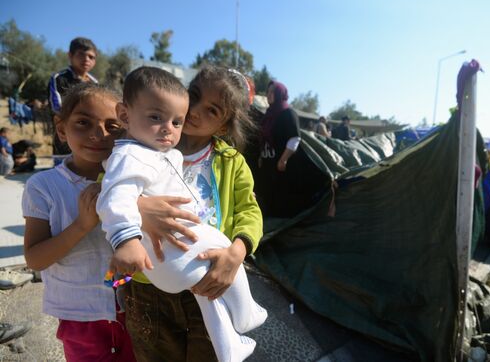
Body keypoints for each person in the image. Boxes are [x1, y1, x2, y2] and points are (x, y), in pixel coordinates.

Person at [107, 65, 266, 362]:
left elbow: (250, 211)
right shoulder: (140, 145)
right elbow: (107, 192)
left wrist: (236, 253)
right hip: (147, 287)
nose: (196, 111)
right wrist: (140, 207)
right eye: (194, 96)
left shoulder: (231, 162)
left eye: (213, 110)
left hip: (212, 281)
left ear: (223, 126)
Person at [21, 83, 137, 361]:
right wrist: (82, 226)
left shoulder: (132, 182)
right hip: (79, 317)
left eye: (113, 126)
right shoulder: (43, 186)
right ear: (61, 129)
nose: (98, 134)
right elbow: (35, 260)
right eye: (83, 122)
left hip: (135, 310)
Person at [256, 80, 314, 217]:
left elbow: (294, 138)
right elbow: (263, 138)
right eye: (268, 92)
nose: (269, 95)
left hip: (282, 164)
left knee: (282, 192)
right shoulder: (268, 115)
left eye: (272, 92)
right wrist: (260, 156)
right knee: (268, 191)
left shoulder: (288, 113)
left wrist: (283, 159)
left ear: (279, 94)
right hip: (268, 161)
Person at [48, 37, 98, 165]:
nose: (86, 59)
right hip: (66, 136)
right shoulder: (59, 78)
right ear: (70, 55)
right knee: (63, 173)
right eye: (81, 54)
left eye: (91, 57)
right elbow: (57, 106)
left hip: (90, 136)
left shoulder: (95, 83)